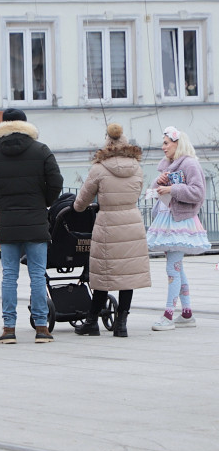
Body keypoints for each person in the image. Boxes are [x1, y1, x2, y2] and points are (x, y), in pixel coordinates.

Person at [0, 108, 63, 344]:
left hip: (8, 223)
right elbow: (56, 181)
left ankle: (9, 328)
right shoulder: (41, 150)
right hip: (36, 222)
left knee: (9, 276)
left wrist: (0, 202)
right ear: (25, 124)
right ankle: (42, 327)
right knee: (36, 276)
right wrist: (43, 202)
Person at [72, 124, 151, 338]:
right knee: (127, 275)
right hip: (132, 222)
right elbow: (137, 191)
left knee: (103, 275)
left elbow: (81, 203)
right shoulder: (137, 167)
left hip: (108, 223)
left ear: (107, 144)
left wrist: (80, 207)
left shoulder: (99, 169)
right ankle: (121, 323)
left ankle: (91, 321)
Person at [145, 126, 210, 331]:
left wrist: (172, 189)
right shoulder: (170, 165)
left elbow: (198, 192)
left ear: (177, 144)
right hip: (170, 220)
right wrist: (160, 182)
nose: (163, 147)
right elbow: (157, 188)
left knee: (172, 267)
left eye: (166, 143)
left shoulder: (189, 163)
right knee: (176, 267)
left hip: (180, 222)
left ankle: (168, 314)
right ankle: (187, 313)